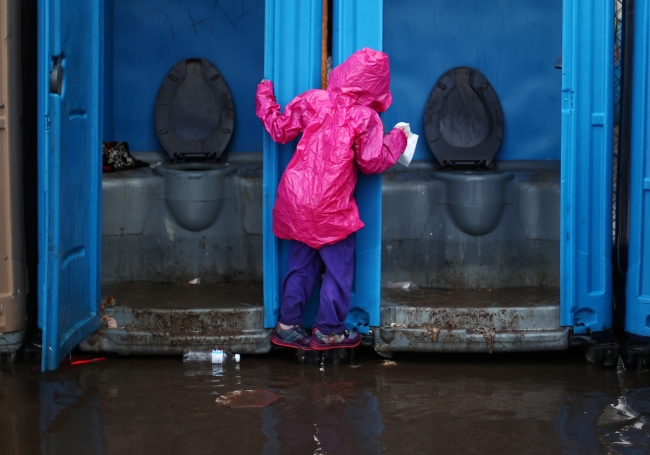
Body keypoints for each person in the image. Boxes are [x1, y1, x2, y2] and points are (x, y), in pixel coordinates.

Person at [255, 47, 407, 350]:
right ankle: (327, 332)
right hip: (331, 209)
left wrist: (265, 96)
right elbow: (371, 161)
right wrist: (399, 138)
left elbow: (280, 129)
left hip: (296, 201)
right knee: (338, 271)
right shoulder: (366, 118)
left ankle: (286, 326)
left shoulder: (314, 99)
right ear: (377, 85)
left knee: (300, 266)